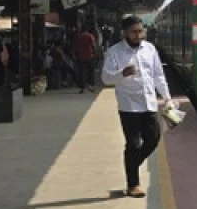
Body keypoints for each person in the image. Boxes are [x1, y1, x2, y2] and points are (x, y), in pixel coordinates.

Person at [102, 16, 174, 198]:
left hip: (149, 103)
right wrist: (122, 74)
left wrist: (167, 98)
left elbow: (158, 75)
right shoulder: (114, 52)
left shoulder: (150, 49)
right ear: (124, 32)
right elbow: (105, 78)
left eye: (141, 31)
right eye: (134, 31)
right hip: (129, 106)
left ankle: (132, 164)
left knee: (154, 138)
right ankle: (133, 184)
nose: (138, 35)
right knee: (133, 144)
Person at [73, 25, 97, 93]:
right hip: (89, 56)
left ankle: (82, 87)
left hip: (80, 56)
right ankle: (90, 85)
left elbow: (75, 46)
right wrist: (95, 53)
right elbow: (93, 45)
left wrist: (74, 54)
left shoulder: (78, 36)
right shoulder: (90, 36)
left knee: (82, 72)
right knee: (90, 71)